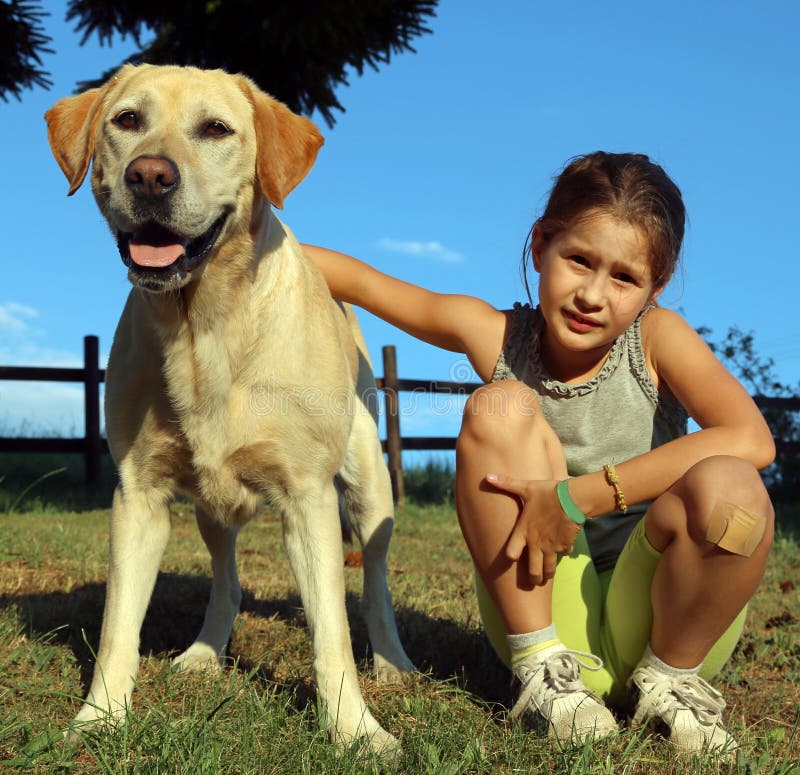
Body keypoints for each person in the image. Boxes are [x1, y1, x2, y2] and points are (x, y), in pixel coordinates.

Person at [302, 151, 775, 754]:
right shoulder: (494, 335)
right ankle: (545, 677)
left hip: (668, 622)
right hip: (548, 613)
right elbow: (364, 283)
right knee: (500, 405)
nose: (593, 295)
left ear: (655, 286)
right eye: (578, 260)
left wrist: (577, 498)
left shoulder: (657, 340)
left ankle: (674, 688)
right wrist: (221, 236)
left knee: (733, 487)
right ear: (540, 246)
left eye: (625, 278)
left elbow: (752, 439)